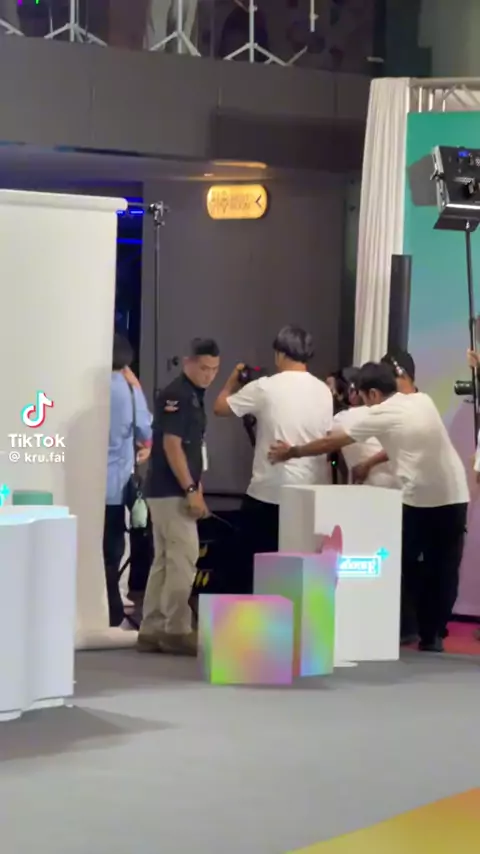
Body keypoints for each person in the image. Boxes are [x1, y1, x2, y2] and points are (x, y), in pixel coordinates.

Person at [269, 361, 470, 653]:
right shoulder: (421, 401)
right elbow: (400, 439)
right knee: (445, 568)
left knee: (402, 564)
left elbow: (330, 443)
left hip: (420, 500)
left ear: (373, 394)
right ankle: (432, 635)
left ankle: (405, 628)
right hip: (456, 494)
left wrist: (291, 452)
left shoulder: (379, 414)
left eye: (363, 396)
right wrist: (370, 462)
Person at [213, 325, 333, 591]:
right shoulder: (323, 391)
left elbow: (220, 407)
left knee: (250, 571)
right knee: (301, 574)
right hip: (311, 494)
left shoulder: (265, 387)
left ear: (280, 353)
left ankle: (257, 616)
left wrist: (233, 380)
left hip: (270, 492)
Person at [138, 337, 220, 656]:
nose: (209, 375)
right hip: (171, 490)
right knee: (183, 560)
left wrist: (197, 488)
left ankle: (152, 628)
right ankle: (176, 628)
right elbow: (172, 446)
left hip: (171, 490)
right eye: (204, 368)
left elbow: (192, 449)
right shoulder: (178, 395)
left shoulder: (193, 396)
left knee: (165, 560)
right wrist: (190, 489)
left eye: (214, 369)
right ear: (188, 362)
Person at [104, 334, 153, 627]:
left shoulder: (86, 386)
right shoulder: (128, 390)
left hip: (81, 482)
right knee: (113, 552)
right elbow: (144, 430)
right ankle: (112, 608)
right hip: (116, 483)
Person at [332, 368, 399, 489]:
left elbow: (324, 443)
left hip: (367, 488)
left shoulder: (342, 419)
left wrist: (297, 451)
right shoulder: (393, 414)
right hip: (397, 487)